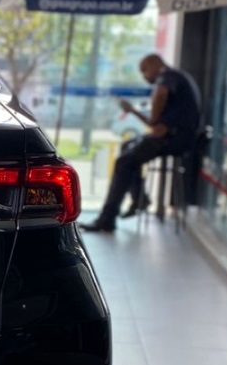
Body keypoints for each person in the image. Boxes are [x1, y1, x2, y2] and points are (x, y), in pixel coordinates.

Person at [80, 53, 202, 233]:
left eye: (144, 70)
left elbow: (160, 96)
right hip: (172, 136)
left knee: (123, 162)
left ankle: (107, 218)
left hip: (175, 139)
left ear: (156, 64)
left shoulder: (168, 76)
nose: (144, 76)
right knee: (127, 147)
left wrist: (154, 116)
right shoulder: (176, 79)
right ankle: (139, 198)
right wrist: (132, 111)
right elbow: (154, 125)